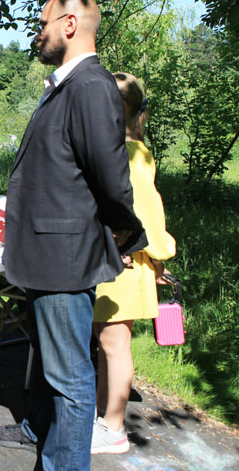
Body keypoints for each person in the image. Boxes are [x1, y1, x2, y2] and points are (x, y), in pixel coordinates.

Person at [0, 0, 145, 471]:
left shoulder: (91, 85)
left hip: (63, 258)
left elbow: (111, 176)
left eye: (43, 23)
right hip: (46, 254)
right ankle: (41, 434)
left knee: (71, 380)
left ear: (69, 24)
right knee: (54, 368)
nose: (38, 33)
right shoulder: (66, 84)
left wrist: (126, 234)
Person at [91, 72, 176, 454]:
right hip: (113, 259)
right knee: (107, 343)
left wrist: (159, 254)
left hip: (125, 262)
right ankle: (103, 420)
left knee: (115, 345)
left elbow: (148, 211)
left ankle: (113, 429)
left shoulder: (130, 154)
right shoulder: (120, 149)